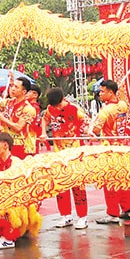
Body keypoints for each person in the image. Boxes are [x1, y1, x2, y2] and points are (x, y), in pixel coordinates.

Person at [0, 132, 40, 250]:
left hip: (22, 202)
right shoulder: (0, 163)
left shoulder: (15, 163)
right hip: (16, 199)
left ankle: (8, 239)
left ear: (5, 146)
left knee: (3, 202)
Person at [40, 87, 88, 230]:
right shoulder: (50, 109)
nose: (57, 108)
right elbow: (45, 119)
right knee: (61, 184)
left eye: (59, 105)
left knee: (78, 185)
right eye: (55, 106)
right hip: (58, 153)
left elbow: (86, 122)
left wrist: (88, 131)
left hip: (74, 153)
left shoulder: (74, 110)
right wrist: (43, 132)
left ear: (63, 99)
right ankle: (66, 215)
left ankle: (82, 217)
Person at [93, 80, 130, 224]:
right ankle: (129, 209)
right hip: (122, 148)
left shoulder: (105, 111)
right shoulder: (122, 106)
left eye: (102, 91)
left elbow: (95, 130)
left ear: (110, 92)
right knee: (123, 179)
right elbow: (123, 99)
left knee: (110, 181)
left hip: (109, 150)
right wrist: (122, 91)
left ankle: (112, 213)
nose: (100, 94)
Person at [0, 75, 38, 158]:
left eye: (16, 87)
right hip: (7, 145)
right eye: (12, 86)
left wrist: (2, 118)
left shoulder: (28, 108)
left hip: (22, 146)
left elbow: (19, 127)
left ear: (24, 92)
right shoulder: (8, 102)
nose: (12, 89)